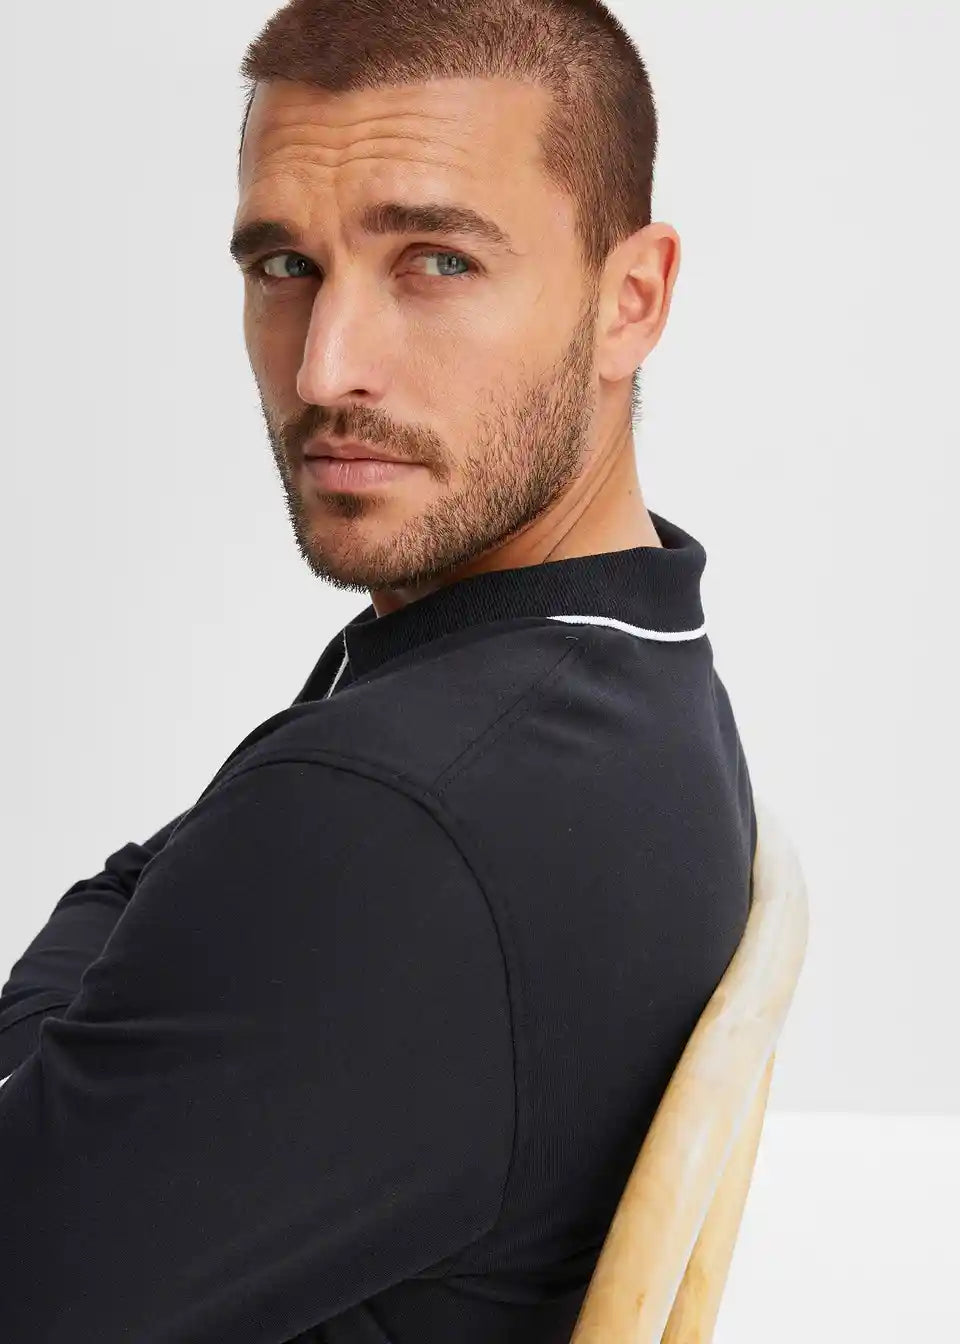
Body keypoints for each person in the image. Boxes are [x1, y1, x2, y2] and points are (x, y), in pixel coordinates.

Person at [0, 2, 757, 1340]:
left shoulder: (399, 815)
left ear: (629, 300)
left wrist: (105, 978)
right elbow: (150, 887)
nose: (324, 366)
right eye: (286, 264)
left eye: (437, 261)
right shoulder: (619, 656)